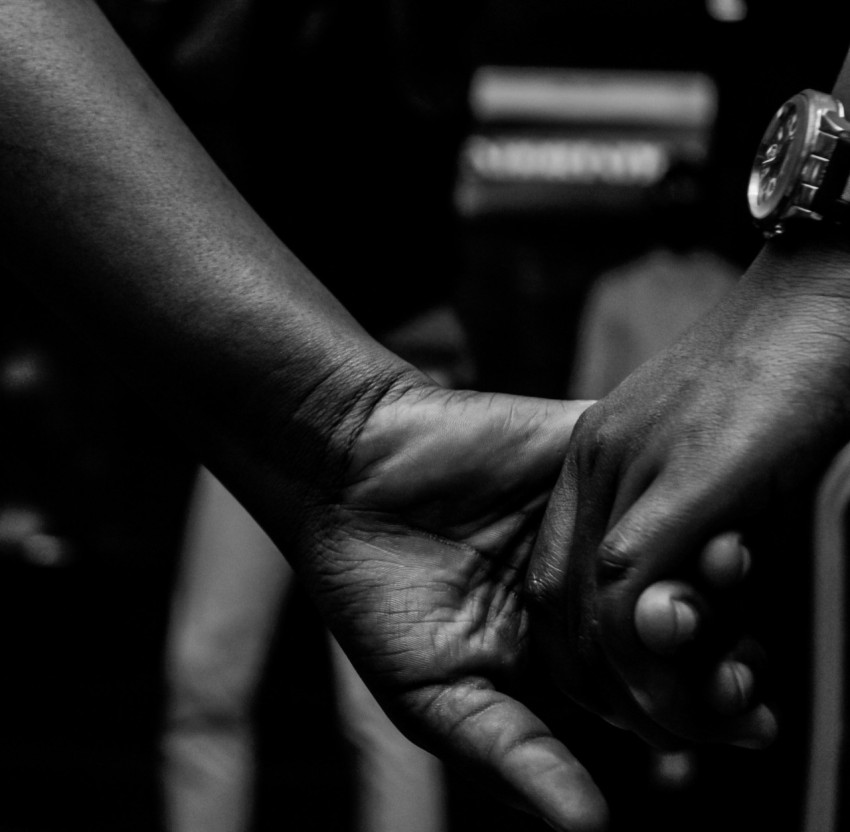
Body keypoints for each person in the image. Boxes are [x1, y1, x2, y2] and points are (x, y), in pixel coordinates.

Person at [0, 2, 792, 830]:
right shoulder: (264, 40)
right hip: (268, 396)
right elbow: (183, 65)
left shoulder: (411, 33)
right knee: (208, 672)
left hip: (382, 388)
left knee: (397, 699)